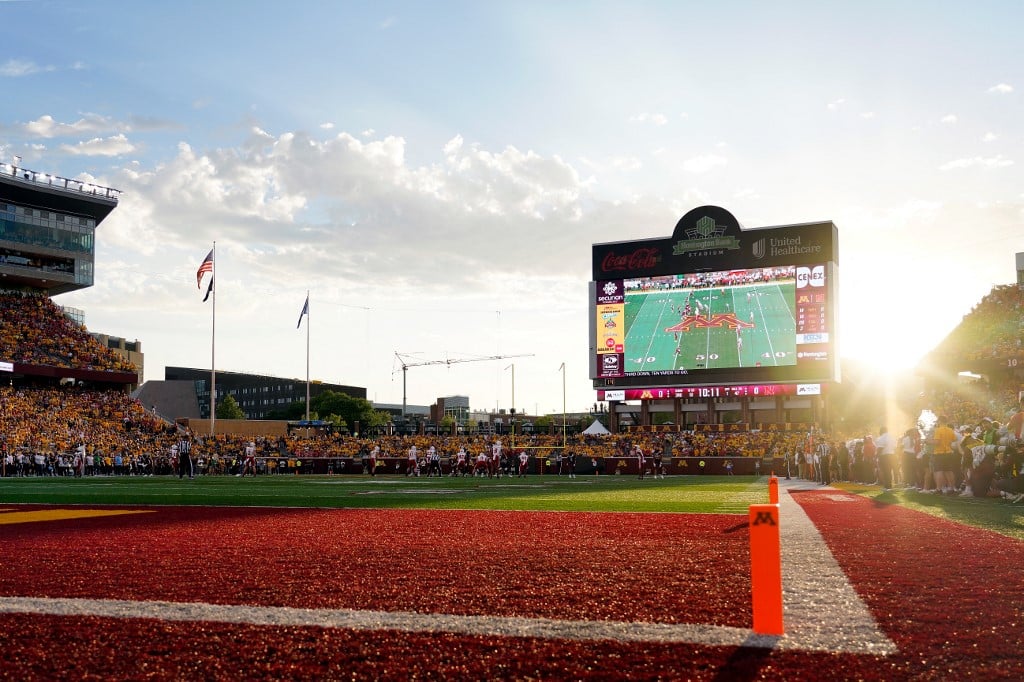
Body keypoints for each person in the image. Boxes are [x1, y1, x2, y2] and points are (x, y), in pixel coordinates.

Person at [930, 415, 958, 495]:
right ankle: (952, 489)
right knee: (949, 471)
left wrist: (928, 441)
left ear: (939, 421)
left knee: (939, 471)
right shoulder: (950, 430)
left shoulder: (938, 430)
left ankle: (939, 489)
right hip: (949, 452)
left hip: (939, 453)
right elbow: (954, 440)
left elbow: (937, 442)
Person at [875, 427, 895, 491]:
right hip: (892, 455)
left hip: (884, 456)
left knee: (885, 471)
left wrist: (876, 456)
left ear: (881, 431)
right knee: (889, 471)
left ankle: (887, 486)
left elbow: (880, 448)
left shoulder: (881, 438)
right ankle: (889, 486)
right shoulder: (892, 437)